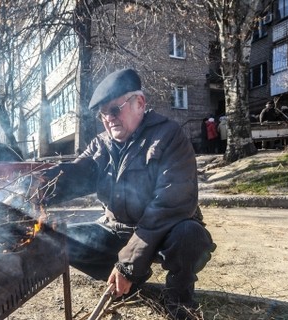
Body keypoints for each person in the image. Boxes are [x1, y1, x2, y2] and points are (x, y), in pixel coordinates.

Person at [35, 69, 216, 318]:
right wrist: (36, 187)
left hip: (164, 231)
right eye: (102, 114)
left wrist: (128, 265)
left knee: (189, 235)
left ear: (139, 103)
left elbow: (169, 207)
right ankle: (132, 283)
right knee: (60, 240)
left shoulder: (169, 136)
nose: (108, 119)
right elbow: (76, 174)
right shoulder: (101, 144)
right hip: (117, 229)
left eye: (114, 110)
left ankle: (179, 300)